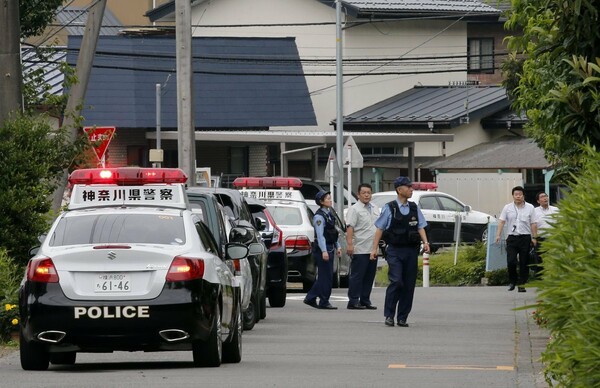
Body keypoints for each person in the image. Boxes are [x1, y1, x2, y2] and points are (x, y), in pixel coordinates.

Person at [370, 176, 430, 327]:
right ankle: (389, 315)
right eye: (408, 187)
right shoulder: (389, 208)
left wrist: (426, 242)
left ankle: (402, 317)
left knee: (409, 285)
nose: (411, 189)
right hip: (395, 251)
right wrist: (374, 249)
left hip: (411, 251)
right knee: (396, 281)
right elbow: (380, 228)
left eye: (411, 187)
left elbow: (420, 226)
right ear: (399, 189)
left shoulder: (414, 207)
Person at [495, 186, 538, 292]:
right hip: (512, 238)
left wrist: (534, 237)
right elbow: (501, 221)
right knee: (511, 261)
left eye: (520, 194)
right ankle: (512, 281)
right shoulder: (507, 207)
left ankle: (522, 284)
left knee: (524, 262)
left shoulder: (530, 207)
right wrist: (498, 235)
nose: (518, 196)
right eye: (516, 194)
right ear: (513, 196)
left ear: (523, 195)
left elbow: (533, 223)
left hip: (525, 238)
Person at [304, 191, 342, 310]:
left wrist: (338, 246)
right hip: (323, 249)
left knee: (328, 276)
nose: (331, 200)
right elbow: (320, 236)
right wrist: (324, 251)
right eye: (328, 199)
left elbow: (333, 232)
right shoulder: (319, 216)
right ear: (321, 202)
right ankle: (317, 299)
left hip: (330, 247)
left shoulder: (329, 214)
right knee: (325, 277)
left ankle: (318, 299)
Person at [346, 183, 381, 310]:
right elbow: (350, 228)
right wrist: (350, 245)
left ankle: (365, 299)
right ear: (358, 194)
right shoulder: (354, 209)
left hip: (373, 248)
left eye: (369, 193)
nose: (366, 195)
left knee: (369, 275)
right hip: (360, 247)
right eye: (364, 193)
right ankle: (353, 300)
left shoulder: (375, 208)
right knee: (357, 275)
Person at [532, 192, 558, 277]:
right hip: (540, 238)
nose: (545, 198)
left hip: (553, 238)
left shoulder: (556, 210)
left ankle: (554, 276)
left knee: (554, 258)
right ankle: (540, 278)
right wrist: (534, 238)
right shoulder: (534, 211)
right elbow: (532, 225)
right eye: (542, 197)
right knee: (539, 259)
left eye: (546, 196)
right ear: (538, 201)